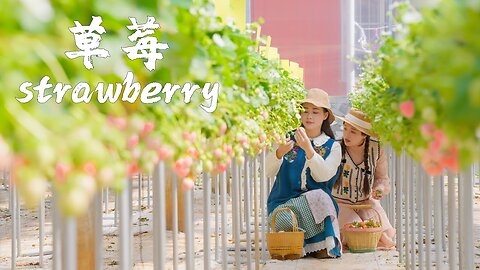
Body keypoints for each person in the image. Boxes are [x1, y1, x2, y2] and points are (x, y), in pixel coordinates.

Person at [266, 88, 342, 259]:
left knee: (319, 197)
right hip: (283, 208)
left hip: (316, 212)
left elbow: (323, 175)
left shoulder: (333, 147)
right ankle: (298, 244)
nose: (309, 116)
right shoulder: (287, 139)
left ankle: (310, 244)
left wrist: (309, 150)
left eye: (315, 112)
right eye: (305, 111)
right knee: (285, 219)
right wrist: (278, 153)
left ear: (325, 116)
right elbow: (267, 172)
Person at [332, 108, 396, 250]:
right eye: (345, 128)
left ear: (364, 135)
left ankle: (379, 239)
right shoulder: (335, 147)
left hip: (365, 202)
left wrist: (379, 189)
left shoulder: (376, 149)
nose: (346, 134)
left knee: (372, 227)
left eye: (353, 131)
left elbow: (382, 178)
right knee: (357, 229)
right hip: (339, 203)